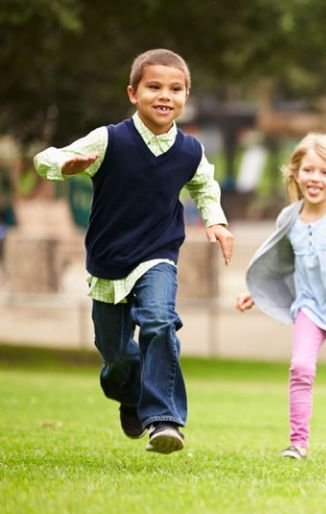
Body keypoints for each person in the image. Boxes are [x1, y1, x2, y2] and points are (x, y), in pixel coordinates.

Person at [33, 49, 234, 454]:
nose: (165, 95)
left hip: (158, 255)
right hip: (108, 260)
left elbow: (204, 187)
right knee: (116, 354)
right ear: (133, 92)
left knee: (159, 321)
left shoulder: (190, 151)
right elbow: (46, 158)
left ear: (186, 95)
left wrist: (216, 220)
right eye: (154, 86)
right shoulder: (109, 139)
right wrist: (66, 167)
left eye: (176, 89)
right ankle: (130, 393)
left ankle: (165, 421)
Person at [235, 133, 326, 460]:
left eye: (324, 172)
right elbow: (278, 263)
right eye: (308, 170)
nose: (315, 178)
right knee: (301, 367)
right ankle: (298, 443)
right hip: (309, 308)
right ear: (296, 174)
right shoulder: (288, 218)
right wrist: (255, 292)